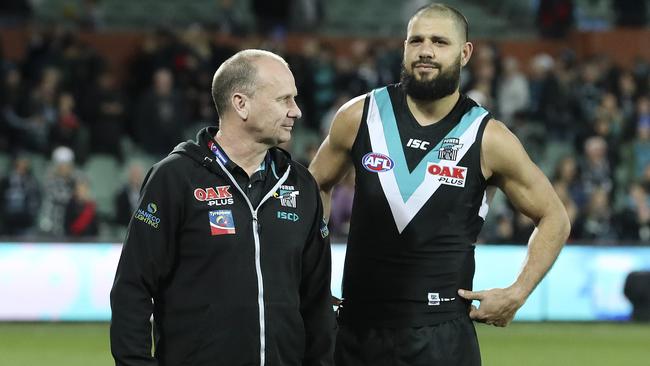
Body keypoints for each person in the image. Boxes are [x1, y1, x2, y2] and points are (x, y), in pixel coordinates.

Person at [309, 3, 570, 365]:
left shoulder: (488, 137)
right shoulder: (359, 115)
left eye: (439, 41)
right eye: (416, 40)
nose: (426, 50)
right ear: (404, 48)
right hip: (356, 331)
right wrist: (313, 274)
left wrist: (518, 293)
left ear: (465, 53)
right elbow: (313, 188)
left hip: (441, 337)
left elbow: (555, 217)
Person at [110, 49, 335, 366]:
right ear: (241, 104)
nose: (296, 111)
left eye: (295, 99)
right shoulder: (175, 178)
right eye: (283, 99)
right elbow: (132, 288)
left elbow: (317, 301)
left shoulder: (300, 185)